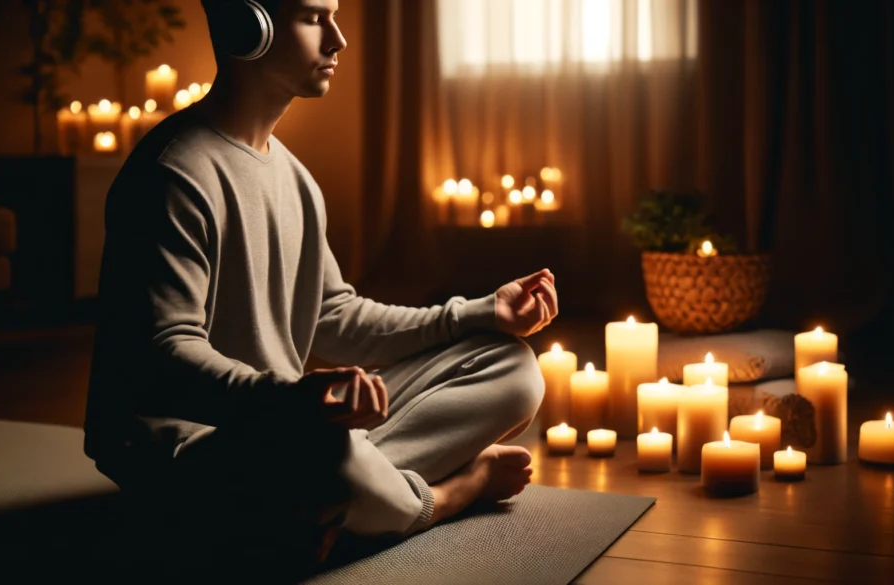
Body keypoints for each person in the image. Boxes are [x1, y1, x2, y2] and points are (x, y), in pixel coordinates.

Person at [82, 0, 557, 574]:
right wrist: (290, 400)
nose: (338, 40)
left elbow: (337, 317)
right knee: (323, 448)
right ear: (248, 27)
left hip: (281, 427)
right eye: (314, 18)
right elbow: (164, 358)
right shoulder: (172, 174)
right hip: (186, 450)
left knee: (511, 366)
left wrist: (478, 314)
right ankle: (440, 495)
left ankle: (331, 503)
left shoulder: (294, 178)